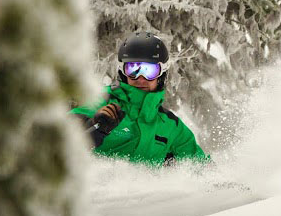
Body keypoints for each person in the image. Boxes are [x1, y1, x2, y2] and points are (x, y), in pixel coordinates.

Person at [71, 32, 209, 166]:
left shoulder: (171, 126)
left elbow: (205, 172)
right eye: (133, 69)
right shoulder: (99, 99)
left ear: (161, 74)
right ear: (123, 72)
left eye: (149, 70)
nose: (141, 78)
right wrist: (93, 127)